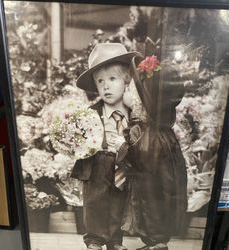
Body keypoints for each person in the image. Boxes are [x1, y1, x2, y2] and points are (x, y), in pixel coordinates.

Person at [71, 43, 142, 250]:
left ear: (126, 81)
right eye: (100, 81)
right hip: (97, 166)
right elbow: (78, 138)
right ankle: (94, 239)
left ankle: (114, 240)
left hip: (123, 166)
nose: (106, 86)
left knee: (118, 204)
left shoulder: (134, 114)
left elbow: (142, 139)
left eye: (112, 79)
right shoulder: (91, 113)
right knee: (95, 202)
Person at [121, 55, 188, 250]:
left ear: (143, 98)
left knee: (153, 196)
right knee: (155, 195)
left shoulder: (149, 134)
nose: (127, 91)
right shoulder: (161, 133)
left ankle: (157, 240)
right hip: (156, 173)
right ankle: (155, 240)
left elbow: (137, 156)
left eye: (131, 89)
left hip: (152, 175)